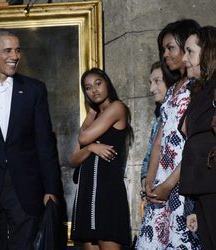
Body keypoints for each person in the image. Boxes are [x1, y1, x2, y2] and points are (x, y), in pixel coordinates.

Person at [0, 28, 60, 250]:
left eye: (18, 50)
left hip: (26, 188)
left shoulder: (34, 90)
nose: (15, 56)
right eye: (7, 50)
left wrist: (51, 189)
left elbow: (44, 143)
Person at [136, 19, 201, 249]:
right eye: (163, 49)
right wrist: (152, 183)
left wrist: (169, 185)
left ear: (186, 48)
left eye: (170, 47)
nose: (165, 54)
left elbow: (196, 146)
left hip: (183, 184)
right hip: (160, 187)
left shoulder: (197, 88)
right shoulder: (172, 89)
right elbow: (158, 143)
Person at [69, 68, 133, 250]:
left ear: (107, 83)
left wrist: (87, 142)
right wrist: (91, 148)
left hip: (107, 192)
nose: (94, 90)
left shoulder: (117, 107)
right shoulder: (94, 117)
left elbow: (83, 137)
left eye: (98, 83)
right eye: (88, 88)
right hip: (87, 192)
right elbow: (74, 159)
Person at [180, 26, 216, 250]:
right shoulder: (201, 90)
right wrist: (191, 207)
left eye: (190, 51)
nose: (184, 59)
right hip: (201, 187)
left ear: (208, 53)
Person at [140, 61, 169, 198]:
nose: (151, 89)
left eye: (157, 81)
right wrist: (145, 181)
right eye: (150, 82)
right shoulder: (158, 120)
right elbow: (149, 155)